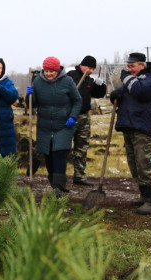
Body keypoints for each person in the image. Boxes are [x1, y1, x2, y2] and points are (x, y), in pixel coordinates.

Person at [110, 52, 151, 215]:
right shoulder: (134, 80)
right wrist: (116, 96)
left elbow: (139, 91)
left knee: (144, 162)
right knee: (134, 164)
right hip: (130, 125)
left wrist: (126, 78)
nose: (130, 69)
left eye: (132, 66)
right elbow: (125, 92)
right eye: (128, 66)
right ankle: (144, 194)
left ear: (143, 65)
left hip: (145, 126)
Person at [26, 56, 82, 198]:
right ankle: (54, 184)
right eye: (46, 71)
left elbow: (77, 101)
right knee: (48, 155)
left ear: (57, 70)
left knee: (59, 154)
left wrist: (73, 116)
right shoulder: (38, 81)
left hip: (63, 124)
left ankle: (59, 187)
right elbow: (34, 103)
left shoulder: (67, 81)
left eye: (52, 71)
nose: (49, 74)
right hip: (44, 125)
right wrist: (29, 96)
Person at [66, 55, 107, 186]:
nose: (90, 71)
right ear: (82, 65)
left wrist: (101, 85)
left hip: (84, 117)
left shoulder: (89, 81)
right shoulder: (70, 76)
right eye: (89, 68)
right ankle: (59, 177)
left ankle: (79, 176)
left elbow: (98, 94)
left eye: (93, 69)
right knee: (64, 147)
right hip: (69, 117)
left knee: (82, 147)